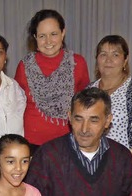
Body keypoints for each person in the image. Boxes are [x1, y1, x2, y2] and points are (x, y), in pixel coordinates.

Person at [15, 9, 90, 149]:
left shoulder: (78, 63)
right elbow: (17, 105)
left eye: (53, 34)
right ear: (35, 37)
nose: (48, 41)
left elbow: (83, 105)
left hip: (68, 142)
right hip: (32, 143)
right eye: (42, 36)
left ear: (63, 33)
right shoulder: (24, 66)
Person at [88, 35, 132, 148]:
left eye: (115, 55)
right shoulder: (88, 91)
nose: (108, 60)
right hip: (91, 161)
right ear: (97, 59)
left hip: (125, 160)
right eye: (103, 54)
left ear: (125, 60)